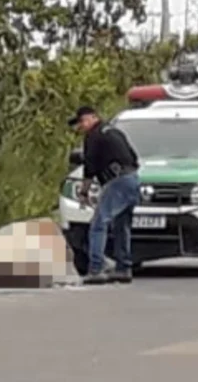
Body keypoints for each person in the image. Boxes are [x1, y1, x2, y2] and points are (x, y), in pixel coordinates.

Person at [69, 106, 141, 285]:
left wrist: (84, 191)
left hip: (116, 181)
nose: (81, 126)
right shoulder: (114, 131)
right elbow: (133, 157)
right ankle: (124, 268)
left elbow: (90, 167)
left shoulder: (94, 136)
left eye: (82, 121)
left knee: (98, 224)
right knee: (121, 225)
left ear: (92, 118)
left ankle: (96, 269)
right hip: (132, 178)